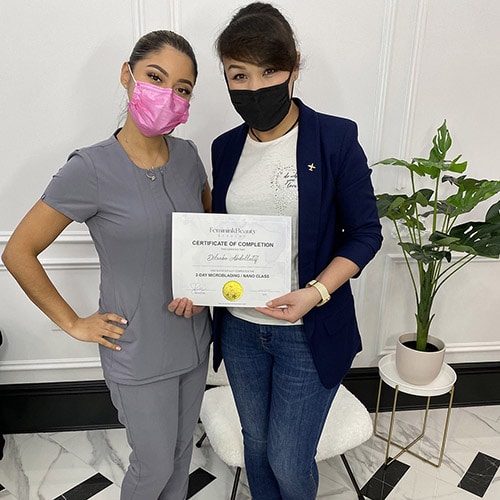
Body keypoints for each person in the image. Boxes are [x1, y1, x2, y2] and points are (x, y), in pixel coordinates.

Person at [2, 30, 211, 499]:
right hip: (135, 348)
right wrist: (73, 322)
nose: (168, 94)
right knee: (153, 466)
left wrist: (207, 287)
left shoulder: (189, 157)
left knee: (181, 456)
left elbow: (208, 236)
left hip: (194, 340)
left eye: (182, 88)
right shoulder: (90, 168)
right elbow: (17, 251)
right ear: (127, 75)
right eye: (155, 77)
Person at [210, 3, 383, 499]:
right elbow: (221, 236)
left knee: (289, 459)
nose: (254, 86)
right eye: (238, 75)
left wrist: (315, 292)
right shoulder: (224, 148)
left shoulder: (334, 138)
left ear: (294, 67)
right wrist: (197, 282)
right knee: (257, 446)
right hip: (241, 328)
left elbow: (366, 233)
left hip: (308, 328)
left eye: (269, 71)